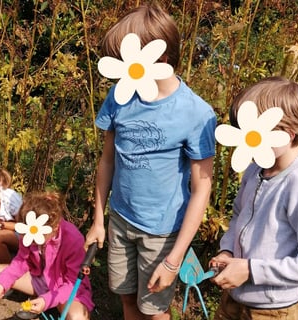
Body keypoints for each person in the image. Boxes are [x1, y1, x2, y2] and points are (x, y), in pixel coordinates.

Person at [84, 4, 216, 320]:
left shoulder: (197, 113)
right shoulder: (119, 96)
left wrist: (174, 259)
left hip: (162, 233)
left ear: (159, 60)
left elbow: (202, 188)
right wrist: (99, 219)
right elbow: (107, 161)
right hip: (119, 221)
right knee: (127, 298)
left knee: (154, 310)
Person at [210, 77, 298, 319]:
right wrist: (228, 252)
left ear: (286, 135)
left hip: (276, 309)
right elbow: (238, 216)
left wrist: (251, 270)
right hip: (235, 296)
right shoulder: (255, 170)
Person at [0, 191, 94, 319]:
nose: (32, 241)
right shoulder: (28, 231)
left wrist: (46, 300)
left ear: (55, 227)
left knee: (77, 317)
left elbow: (73, 283)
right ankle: (40, 302)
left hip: (62, 288)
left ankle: (46, 304)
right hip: (38, 280)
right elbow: (21, 261)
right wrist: (2, 284)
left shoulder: (73, 239)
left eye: (37, 238)